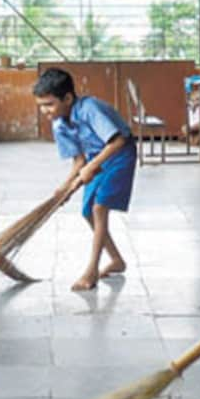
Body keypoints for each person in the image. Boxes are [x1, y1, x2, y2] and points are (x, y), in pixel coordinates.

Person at [33, 67, 137, 291]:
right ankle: (116, 260)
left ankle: (91, 270)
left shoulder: (90, 109)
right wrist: (65, 188)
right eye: (41, 105)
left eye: (49, 104)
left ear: (68, 98)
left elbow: (117, 141)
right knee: (87, 212)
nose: (45, 111)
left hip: (119, 154)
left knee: (99, 208)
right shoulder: (59, 123)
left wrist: (91, 166)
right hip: (94, 159)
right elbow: (79, 161)